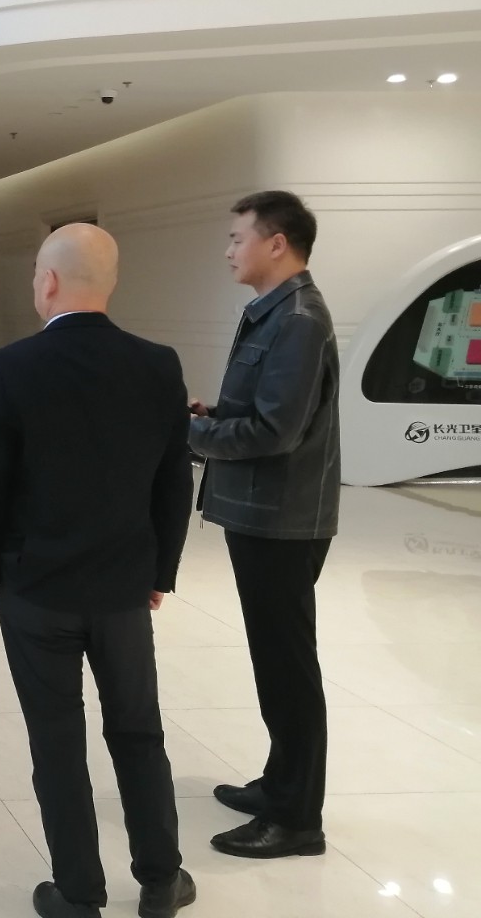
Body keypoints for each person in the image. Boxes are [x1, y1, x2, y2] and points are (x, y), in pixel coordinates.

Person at [0, 224, 196, 918]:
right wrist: (160, 572)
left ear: (49, 282)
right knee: (138, 731)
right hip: (125, 586)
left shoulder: (9, 368)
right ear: (112, 282)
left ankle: (78, 892)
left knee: (57, 738)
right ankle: (161, 879)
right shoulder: (157, 364)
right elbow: (172, 481)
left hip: (35, 586)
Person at [189, 191, 339, 859]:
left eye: (237, 238)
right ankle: (280, 785)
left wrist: (190, 433)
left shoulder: (298, 320)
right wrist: (214, 415)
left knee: (287, 668)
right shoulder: (276, 313)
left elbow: (276, 431)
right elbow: (265, 410)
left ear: (276, 243)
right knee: (275, 661)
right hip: (264, 513)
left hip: (282, 518)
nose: (229, 250)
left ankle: (296, 819)